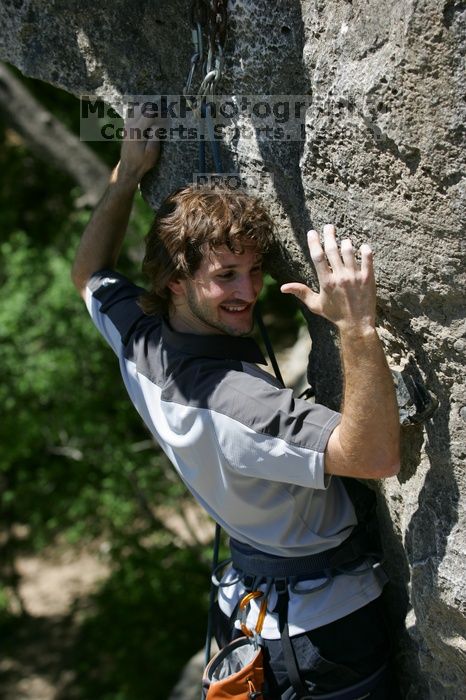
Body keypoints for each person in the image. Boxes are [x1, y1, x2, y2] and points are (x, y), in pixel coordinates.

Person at [71, 114, 401, 699]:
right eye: (225, 276)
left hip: (248, 606)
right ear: (176, 279)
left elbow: (89, 274)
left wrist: (125, 179)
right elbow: (373, 455)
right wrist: (358, 326)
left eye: (253, 271)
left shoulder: (139, 338)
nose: (249, 292)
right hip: (324, 635)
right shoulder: (239, 403)